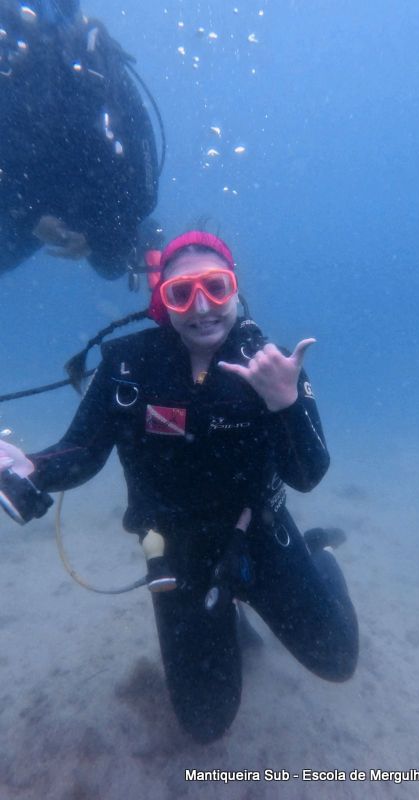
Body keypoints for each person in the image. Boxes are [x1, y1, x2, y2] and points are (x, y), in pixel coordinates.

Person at [0, 230, 359, 743]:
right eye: (181, 293)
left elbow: (307, 476)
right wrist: (33, 467)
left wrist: (286, 404)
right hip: (176, 553)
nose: (201, 307)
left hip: (260, 537)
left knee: (338, 660)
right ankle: (229, 616)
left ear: (235, 288)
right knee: (205, 723)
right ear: (162, 300)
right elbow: (81, 452)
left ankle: (318, 555)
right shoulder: (127, 366)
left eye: (216, 286)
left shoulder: (272, 364)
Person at [0, 0, 159, 278]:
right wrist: (26, 214)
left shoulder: (93, 59)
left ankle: (149, 246)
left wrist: (98, 235)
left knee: (113, 263)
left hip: (89, 193)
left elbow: (144, 182)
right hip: (19, 196)